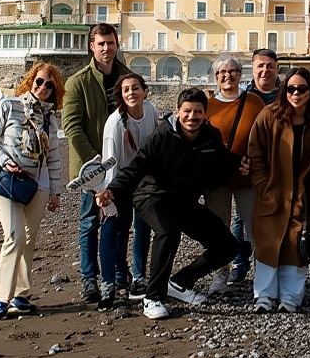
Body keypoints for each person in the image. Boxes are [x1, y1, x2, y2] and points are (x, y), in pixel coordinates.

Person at [95, 88, 240, 320]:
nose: (192, 117)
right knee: (168, 232)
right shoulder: (162, 135)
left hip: (184, 200)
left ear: (205, 114)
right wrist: (111, 190)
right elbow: (136, 167)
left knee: (227, 246)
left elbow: (221, 162)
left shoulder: (210, 135)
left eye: (198, 112)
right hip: (151, 196)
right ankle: (153, 297)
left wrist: (240, 164)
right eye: (187, 111)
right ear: (177, 111)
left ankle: (179, 282)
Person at [247, 67, 310, 313]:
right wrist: (261, 184)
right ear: (284, 90)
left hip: (305, 195)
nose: (296, 94)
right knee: (267, 244)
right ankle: (264, 296)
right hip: (273, 193)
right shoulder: (269, 115)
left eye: (301, 89)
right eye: (291, 89)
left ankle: (290, 297)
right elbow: (255, 151)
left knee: (296, 245)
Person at [0, 62, 65, 321]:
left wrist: (55, 192)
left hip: (39, 186)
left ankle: (21, 295)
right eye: (39, 81)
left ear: (55, 90)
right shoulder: (9, 106)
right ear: (30, 81)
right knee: (14, 237)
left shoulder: (50, 119)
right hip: (7, 181)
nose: (43, 87)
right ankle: (1, 299)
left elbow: (53, 157)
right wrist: (5, 161)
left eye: (49, 85)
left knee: (29, 239)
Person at [62, 23, 133, 303]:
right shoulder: (77, 82)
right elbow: (72, 126)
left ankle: (118, 274)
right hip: (89, 169)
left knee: (119, 221)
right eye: (101, 44)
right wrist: (96, 165)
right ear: (92, 46)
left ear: (117, 45)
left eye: (110, 43)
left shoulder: (127, 78)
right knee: (90, 222)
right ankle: (89, 278)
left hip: (122, 165)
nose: (106, 48)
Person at [95, 72, 159, 309]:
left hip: (144, 182)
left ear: (145, 91)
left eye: (135, 88)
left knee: (143, 227)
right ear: (121, 95)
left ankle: (138, 277)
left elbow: (156, 147)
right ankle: (109, 282)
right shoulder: (114, 124)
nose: (131, 93)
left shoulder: (150, 111)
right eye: (126, 90)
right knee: (114, 228)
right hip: (119, 180)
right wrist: (107, 193)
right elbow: (110, 162)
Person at [204, 57, 264, 295]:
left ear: (240, 74)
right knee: (218, 228)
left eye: (232, 71)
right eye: (222, 72)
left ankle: (262, 276)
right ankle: (221, 274)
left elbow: (265, 135)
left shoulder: (254, 102)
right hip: (217, 179)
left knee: (255, 228)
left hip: (247, 177)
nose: (228, 76)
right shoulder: (208, 105)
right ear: (216, 77)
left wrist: (255, 160)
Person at [229, 47, 281, 281]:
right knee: (241, 216)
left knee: (276, 213)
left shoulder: (286, 95)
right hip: (248, 166)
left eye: (270, 66)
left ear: (277, 69)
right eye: (260, 66)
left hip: (278, 166)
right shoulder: (243, 97)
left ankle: (273, 262)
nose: (265, 70)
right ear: (253, 68)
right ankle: (239, 263)